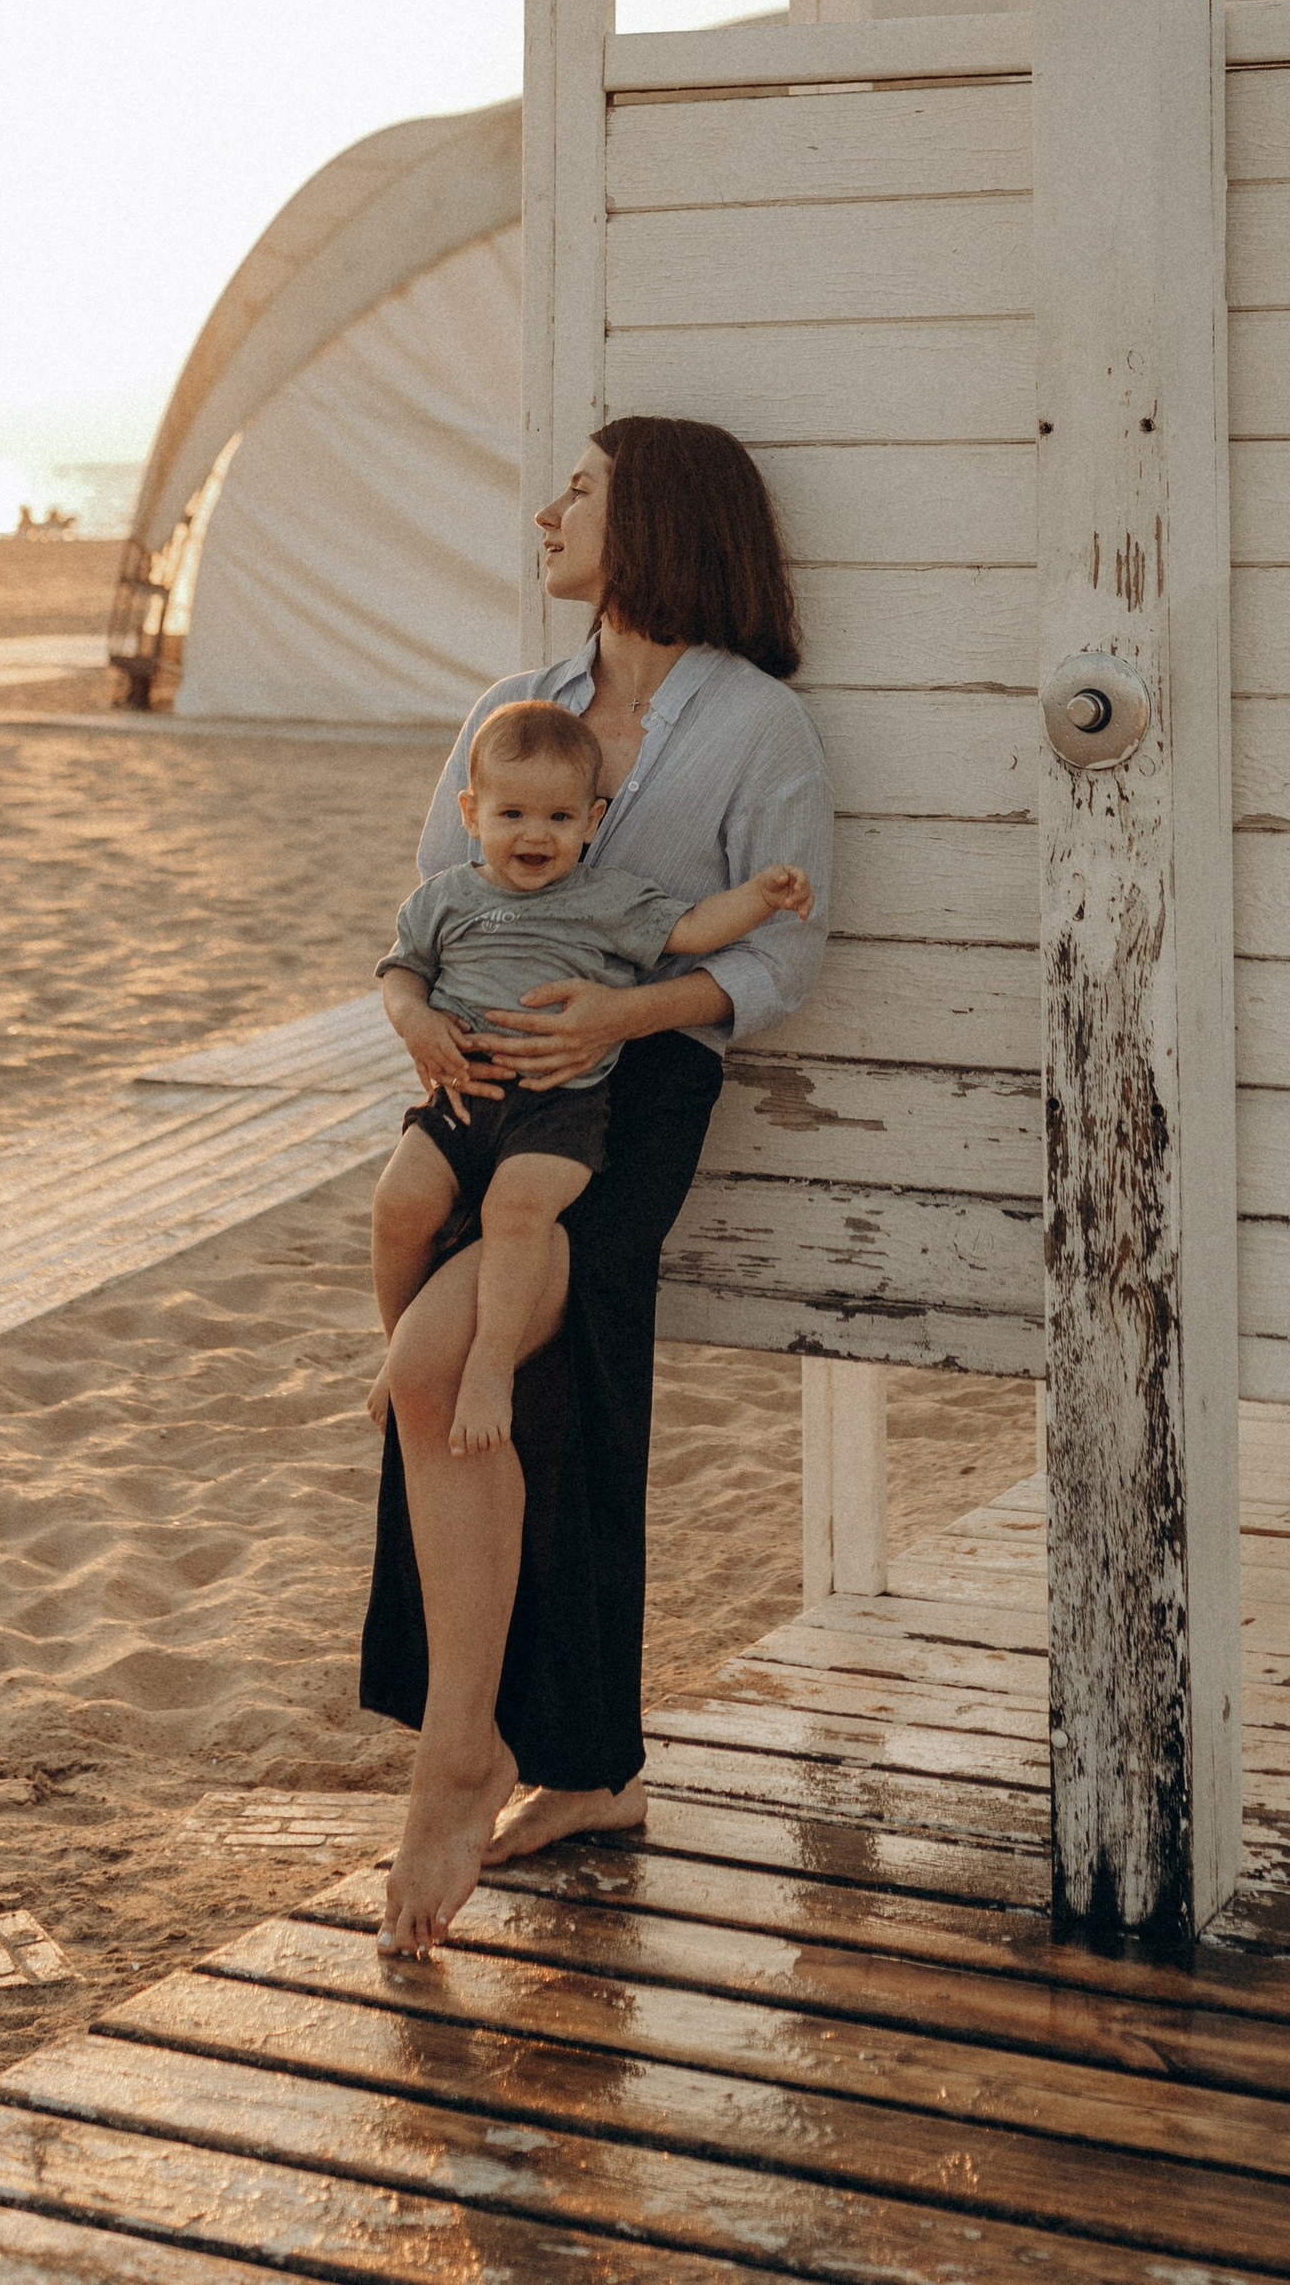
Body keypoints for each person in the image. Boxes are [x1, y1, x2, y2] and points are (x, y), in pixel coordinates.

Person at [360, 412, 830, 1958]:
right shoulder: (519, 708)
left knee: (443, 1375)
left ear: (664, 523)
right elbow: (432, 902)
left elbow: (783, 954)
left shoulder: (757, 724)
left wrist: (622, 1018)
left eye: (584, 491)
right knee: (484, 1401)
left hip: (634, 1106)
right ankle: (582, 1772)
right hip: (483, 1086)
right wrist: (422, 1026)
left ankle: (462, 1755)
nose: (550, 512)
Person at [370, 691, 815, 1456]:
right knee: (398, 1203)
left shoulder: (606, 899)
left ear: (592, 821)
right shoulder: (445, 898)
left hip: (559, 1108)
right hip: (462, 1094)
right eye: (512, 814)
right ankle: (398, 1346)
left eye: (559, 817)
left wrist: (760, 897)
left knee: (517, 1210)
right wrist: (415, 1021)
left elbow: (693, 929)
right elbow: (401, 972)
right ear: (471, 813)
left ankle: (489, 1365)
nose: (535, 834)